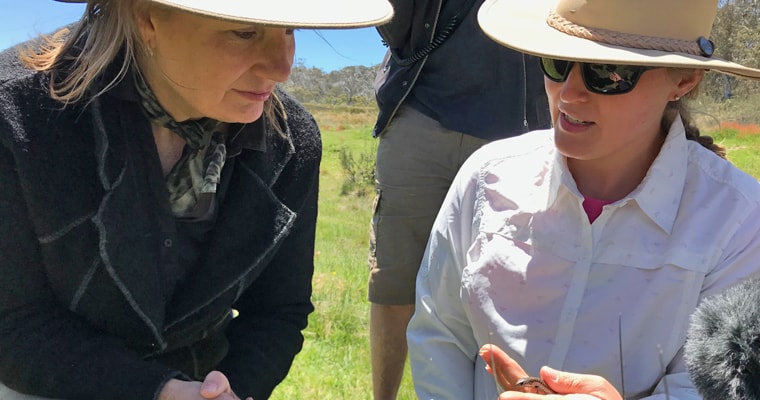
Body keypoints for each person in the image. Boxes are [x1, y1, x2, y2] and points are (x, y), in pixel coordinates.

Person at [0, 0, 392, 399]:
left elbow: (278, 311)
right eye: (245, 31)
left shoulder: (291, 143)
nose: (282, 68)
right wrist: (155, 391)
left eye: (289, 30)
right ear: (146, 17)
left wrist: (226, 391)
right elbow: (12, 321)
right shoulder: (17, 115)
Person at [405, 0, 760, 398]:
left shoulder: (739, 222)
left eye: (610, 74)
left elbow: (711, 386)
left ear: (683, 80)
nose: (569, 94)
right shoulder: (487, 178)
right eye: (557, 62)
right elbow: (439, 333)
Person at [366, 0, 552, 396]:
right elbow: (392, 27)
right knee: (396, 280)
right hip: (422, 116)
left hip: (518, 133)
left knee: (510, 288)